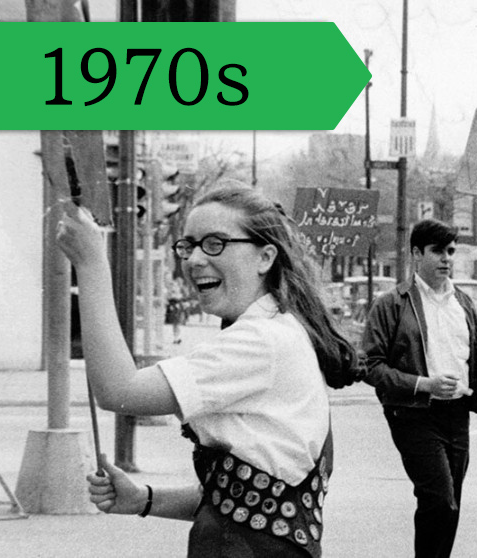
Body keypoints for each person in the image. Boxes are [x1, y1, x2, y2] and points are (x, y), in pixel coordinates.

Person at [59, 186, 358, 557]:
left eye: (215, 243)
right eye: (188, 246)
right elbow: (249, 496)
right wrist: (143, 500)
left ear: (265, 256)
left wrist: (91, 266)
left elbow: (119, 391)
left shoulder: (261, 341)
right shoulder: (281, 331)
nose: (195, 259)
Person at [359, 219, 477, 558]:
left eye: (451, 252)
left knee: (451, 505)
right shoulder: (392, 304)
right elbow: (370, 365)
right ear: (416, 253)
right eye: (437, 251)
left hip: (458, 415)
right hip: (413, 414)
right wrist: (423, 385)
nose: (446, 259)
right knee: (439, 499)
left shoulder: (465, 305)